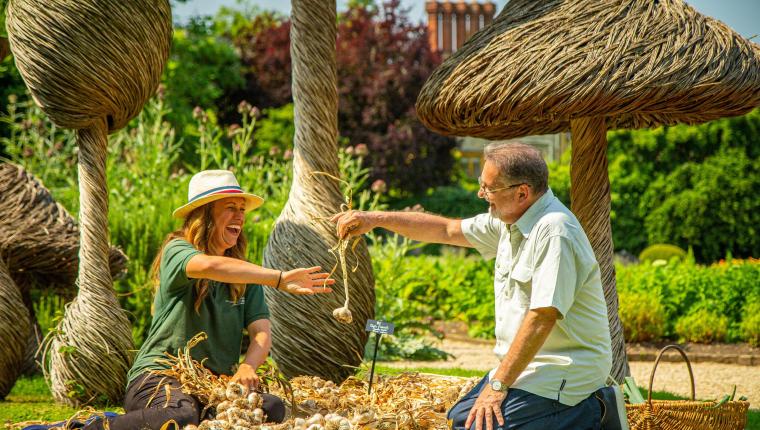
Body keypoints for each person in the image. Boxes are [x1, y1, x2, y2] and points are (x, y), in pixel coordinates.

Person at [333, 143, 612, 430]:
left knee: (479, 427)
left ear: (522, 193)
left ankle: (593, 412)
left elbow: (542, 317)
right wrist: (373, 219)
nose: (481, 194)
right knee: (460, 419)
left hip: (564, 368)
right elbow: (446, 230)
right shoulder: (509, 220)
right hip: (530, 367)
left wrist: (498, 385)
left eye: (489, 188)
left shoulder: (555, 231)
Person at [86, 169, 334, 430]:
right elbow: (208, 265)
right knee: (180, 415)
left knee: (270, 407)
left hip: (212, 386)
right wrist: (279, 278)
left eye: (242, 208)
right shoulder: (177, 250)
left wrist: (248, 367)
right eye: (230, 207)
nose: (240, 215)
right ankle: (87, 428)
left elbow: (262, 333)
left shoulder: (246, 275)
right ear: (204, 215)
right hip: (158, 378)